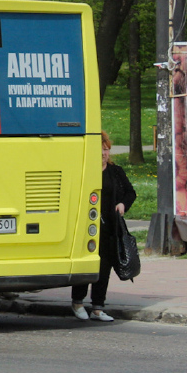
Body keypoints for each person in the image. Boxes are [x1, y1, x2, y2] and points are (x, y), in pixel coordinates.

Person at [73, 130, 137, 322]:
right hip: (89, 225)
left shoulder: (115, 172)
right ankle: (77, 302)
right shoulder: (86, 171)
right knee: (85, 266)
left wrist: (123, 204)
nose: (103, 154)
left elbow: (130, 192)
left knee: (104, 267)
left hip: (110, 227)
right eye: (100, 150)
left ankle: (98, 307)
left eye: (106, 150)